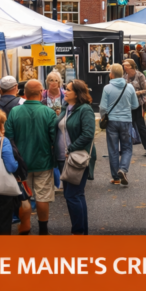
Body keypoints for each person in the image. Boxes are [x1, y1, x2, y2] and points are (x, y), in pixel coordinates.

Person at [4, 80, 60, 235]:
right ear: (41, 92)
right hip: (43, 161)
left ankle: (25, 225)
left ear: (25, 93)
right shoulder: (49, 113)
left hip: (20, 163)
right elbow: (53, 138)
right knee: (42, 197)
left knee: (24, 196)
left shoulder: (15, 112)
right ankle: (43, 230)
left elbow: (8, 138)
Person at [56, 80, 97, 235]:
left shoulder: (85, 109)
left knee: (72, 195)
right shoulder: (66, 107)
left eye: (68, 90)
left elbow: (88, 133)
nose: (64, 92)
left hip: (77, 158)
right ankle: (80, 231)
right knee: (75, 195)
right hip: (64, 158)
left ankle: (78, 232)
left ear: (77, 93)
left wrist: (71, 148)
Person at [99, 63, 139, 187]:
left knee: (113, 149)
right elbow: (135, 105)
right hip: (126, 121)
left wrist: (103, 117)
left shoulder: (107, 88)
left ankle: (116, 177)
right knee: (127, 147)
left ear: (111, 74)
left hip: (111, 121)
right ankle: (123, 169)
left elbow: (103, 107)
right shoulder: (130, 87)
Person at [123, 58, 146, 157]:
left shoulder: (140, 75)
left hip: (138, 104)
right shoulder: (124, 76)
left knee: (141, 126)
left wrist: (135, 93)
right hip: (126, 104)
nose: (124, 66)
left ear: (131, 66)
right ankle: (125, 148)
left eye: (126, 65)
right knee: (125, 127)